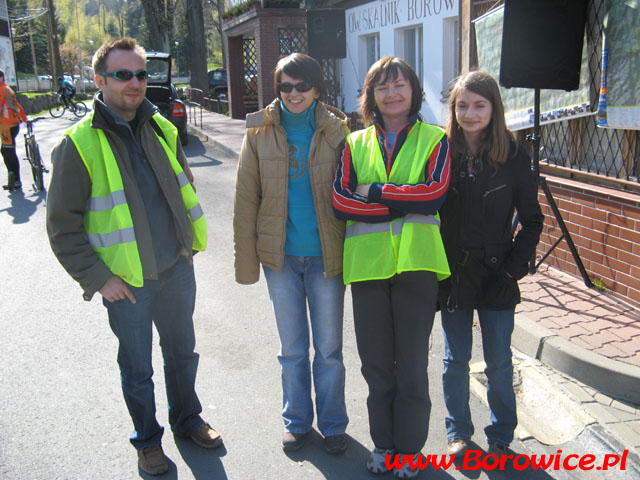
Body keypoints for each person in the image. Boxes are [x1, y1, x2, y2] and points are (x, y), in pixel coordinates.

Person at [46, 37, 222, 476]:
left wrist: (186, 242)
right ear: (99, 79)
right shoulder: (77, 145)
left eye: (140, 74)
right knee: (137, 368)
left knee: (183, 355)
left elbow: (184, 188)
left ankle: (188, 419)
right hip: (126, 282)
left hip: (176, 269)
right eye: (123, 74)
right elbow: (61, 227)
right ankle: (147, 441)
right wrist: (97, 278)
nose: (135, 83)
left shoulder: (161, 126)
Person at [332, 56, 451, 479]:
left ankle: (411, 451)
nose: (392, 93)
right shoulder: (353, 143)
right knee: (377, 365)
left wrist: (376, 193)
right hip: (368, 269)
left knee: (412, 365)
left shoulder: (436, 138)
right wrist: (399, 204)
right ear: (371, 97)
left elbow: (433, 195)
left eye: (399, 85)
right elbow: (342, 202)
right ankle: (384, 446)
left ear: (413, 91)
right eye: (382, 87)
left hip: (417, 268)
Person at [233, 53, 350, 455]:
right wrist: (246, 260)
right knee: (293, 349)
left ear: (317, 88)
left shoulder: (338, 131)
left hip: (326, 257)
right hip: (279, 259)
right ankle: (297, 421)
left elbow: (353, 192)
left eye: (302, 86)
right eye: (286, 86)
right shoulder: (259, 131)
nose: (294, 94)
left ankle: (334, 424)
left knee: (330, 350)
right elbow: (246, 199)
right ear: (277, 88)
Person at [439, 70, 544, 459]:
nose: (470, 113)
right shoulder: (440, 149)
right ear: (453, 108)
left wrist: (513, 268)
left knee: (499, 360)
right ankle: (458, 434)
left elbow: (533, 219)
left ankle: (501, 433)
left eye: (479, 105)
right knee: (456, 359)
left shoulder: (514, 155)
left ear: (493, 108)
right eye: (462, 105)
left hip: (498, 271)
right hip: (453, 270)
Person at [0, 69, 27, 191]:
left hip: (7, 125)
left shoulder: (1, 89)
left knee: (8, 152)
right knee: (6, 151)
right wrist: (24, 119)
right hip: (13, 124)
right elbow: (17, 105)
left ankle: (15, 179)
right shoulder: (8, 88)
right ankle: (14, 178)